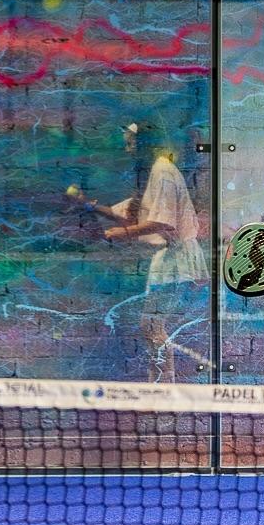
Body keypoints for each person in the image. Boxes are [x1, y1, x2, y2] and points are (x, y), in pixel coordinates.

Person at [68, 121, 209, 383]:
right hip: (169, 260)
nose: (128, 148)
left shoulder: (162, 171)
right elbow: (128, 214)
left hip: (177, 260)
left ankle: (163, 385)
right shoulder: (152, 173)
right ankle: (160, 383)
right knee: (151, 326)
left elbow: (164, 222)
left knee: (152, 326)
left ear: (145, 143)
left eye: (131, 143)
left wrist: (123, 233)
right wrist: (88, 204)